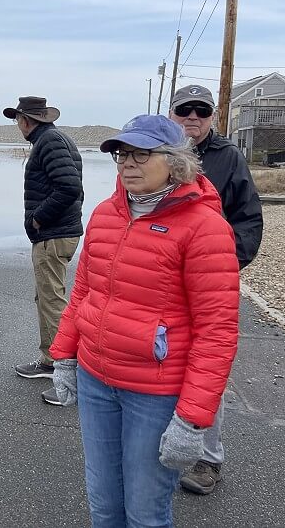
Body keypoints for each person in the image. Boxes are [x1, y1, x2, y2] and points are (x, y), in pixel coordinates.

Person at [49, 114, 240, 528]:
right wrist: (63, 356)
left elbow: (217, 332)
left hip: (154, 394)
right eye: (121, 155)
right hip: (96, 380)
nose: (127, 164)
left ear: (175, 161)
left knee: (145, 514)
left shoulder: (205, 227)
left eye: (141, 154)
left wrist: (192, 420)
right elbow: (83, 293)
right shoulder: (104, 214)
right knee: (103, 507)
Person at [169, 84, 263, 495]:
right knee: (161, 365)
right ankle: (165, 445)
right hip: (162, 284)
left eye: (201, 110)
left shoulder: (229, 158)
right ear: (171, 114)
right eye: (184, 110)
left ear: (212, 115)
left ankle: (208, 459)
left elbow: (249, 220)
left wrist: (224, 264)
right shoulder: (157, 153)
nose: (193, 117)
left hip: (208, 286)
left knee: (206, 370)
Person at [2, 96, 83, 405]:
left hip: (53, 234)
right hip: (57, 233)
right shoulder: (53, 139)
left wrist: (38, 218)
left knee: (52, 300)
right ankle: (51, 359)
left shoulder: (49, 142)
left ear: (26, 121)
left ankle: (60, 365)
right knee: (48, 296)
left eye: (18, 120)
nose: (17, 125)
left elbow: (69, 187)